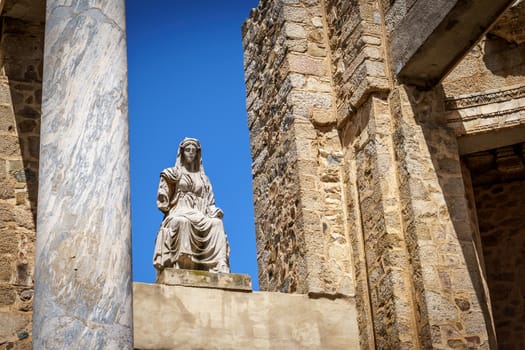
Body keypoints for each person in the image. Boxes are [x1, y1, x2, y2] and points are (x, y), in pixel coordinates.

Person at [153, 137, 230, 273]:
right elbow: (163, 200)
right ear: (182, 152)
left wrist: (214, 210)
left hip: (199, 214)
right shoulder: (174, 173)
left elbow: (210, 202)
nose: (190, 153)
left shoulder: (204, 179)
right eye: (187, 150)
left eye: (193, 150)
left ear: (197, 154)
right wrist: (164, 188)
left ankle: (220, 264)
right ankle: (182, 262)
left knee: (217, 224)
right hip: (179, 211)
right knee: (181, 222)